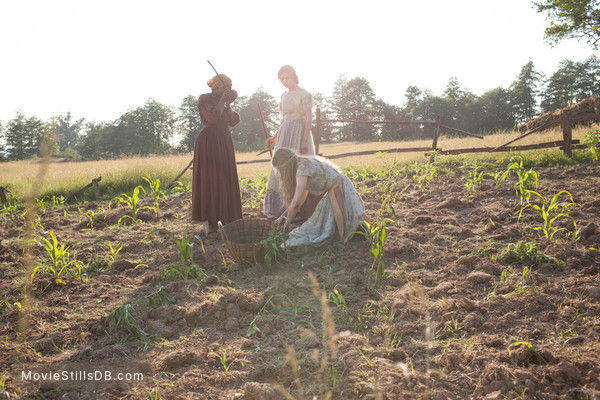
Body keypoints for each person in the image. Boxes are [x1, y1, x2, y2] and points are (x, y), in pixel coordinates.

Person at [271, 148, 365, 247]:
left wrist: (287, 223)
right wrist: (282, 217)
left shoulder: (302, 169)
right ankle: (353, 234)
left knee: (342, 226)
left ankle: (350, 240)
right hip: (336, 187)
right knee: (326, 224)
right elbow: (300, 199)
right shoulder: (303, 163)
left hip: (339, 188)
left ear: (285, 167)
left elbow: (296, 202)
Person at [263, 65, 317, 219]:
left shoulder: (304, 94)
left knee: (299, 167)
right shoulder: (283, 96)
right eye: (282, 79)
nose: (285, 81)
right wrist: (274, 139)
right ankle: (281, 208)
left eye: (287, 78)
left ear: (294, 76)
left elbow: (308, 119)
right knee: (280, 166)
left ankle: (300, 208)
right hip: (285, 134)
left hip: (299, 133)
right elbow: (283, 121)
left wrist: (304, 140)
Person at [192, 73, 243, 235]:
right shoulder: (205, 99)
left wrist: (228, 104)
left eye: (229, 87)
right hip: (209, 143)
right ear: (216, 87)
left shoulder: (224, 101)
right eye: (225, 87)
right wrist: (223, 101)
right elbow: (213, 118)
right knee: (211, 179)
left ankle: (228, 218)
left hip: (224, 142)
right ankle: (211, 221)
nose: (228, 90)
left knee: (226, 178)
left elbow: (233, 121)